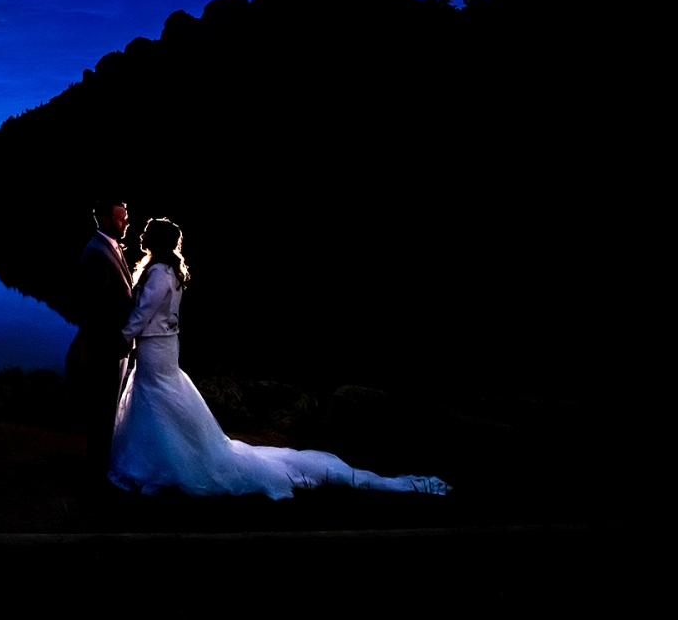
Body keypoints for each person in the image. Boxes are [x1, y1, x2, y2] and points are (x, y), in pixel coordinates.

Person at [109, 217, 449, 498]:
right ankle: (160, 460)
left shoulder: (158, 274)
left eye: (147, 232)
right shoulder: (169, 272)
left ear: (158, 241)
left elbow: (144, 312)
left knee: (156, 399)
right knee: (158, 400)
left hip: (156, 347)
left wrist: (122, 337)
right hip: (162, 346)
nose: (141, 234)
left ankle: (158, 465)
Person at [66, 199, 135, 484]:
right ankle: (97, 471)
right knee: (103, 411)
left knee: (107, 409)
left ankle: (100, 464)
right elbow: (96, 308)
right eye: (121, 219)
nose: (126, 223)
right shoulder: (96, 252)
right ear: (106, 220)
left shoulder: (109, 246)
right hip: (107, 347)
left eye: (126, 218)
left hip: (114, 345)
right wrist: (118, 337)